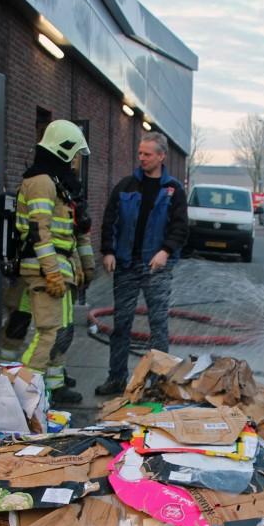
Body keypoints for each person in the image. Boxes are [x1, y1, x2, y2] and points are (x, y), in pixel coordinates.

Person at [94, 132, 188, 396]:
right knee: (121, 323)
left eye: (147, 154)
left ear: (161, 156)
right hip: (125, 264)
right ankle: (116, 378)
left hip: (157, 266)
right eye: (140, 153)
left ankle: (159, 382)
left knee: (158, 325)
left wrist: (165, 251)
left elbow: (181, 228)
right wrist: (108, 251)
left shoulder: (173, 191)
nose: (142, 158)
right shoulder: (126, 187)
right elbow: (109, 220)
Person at [14, 119, 94, 405]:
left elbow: (72, 232)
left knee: (63, 330)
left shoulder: (59, 183)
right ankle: (22, 395)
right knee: (47, 333)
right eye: (73, 156)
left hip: (61, 267)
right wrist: (52, 273)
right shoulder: (41, 182)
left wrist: (84, 266)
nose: (75, 163)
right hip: (44, 268)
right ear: (62, 150)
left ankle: (54, 384)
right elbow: (39, 231)